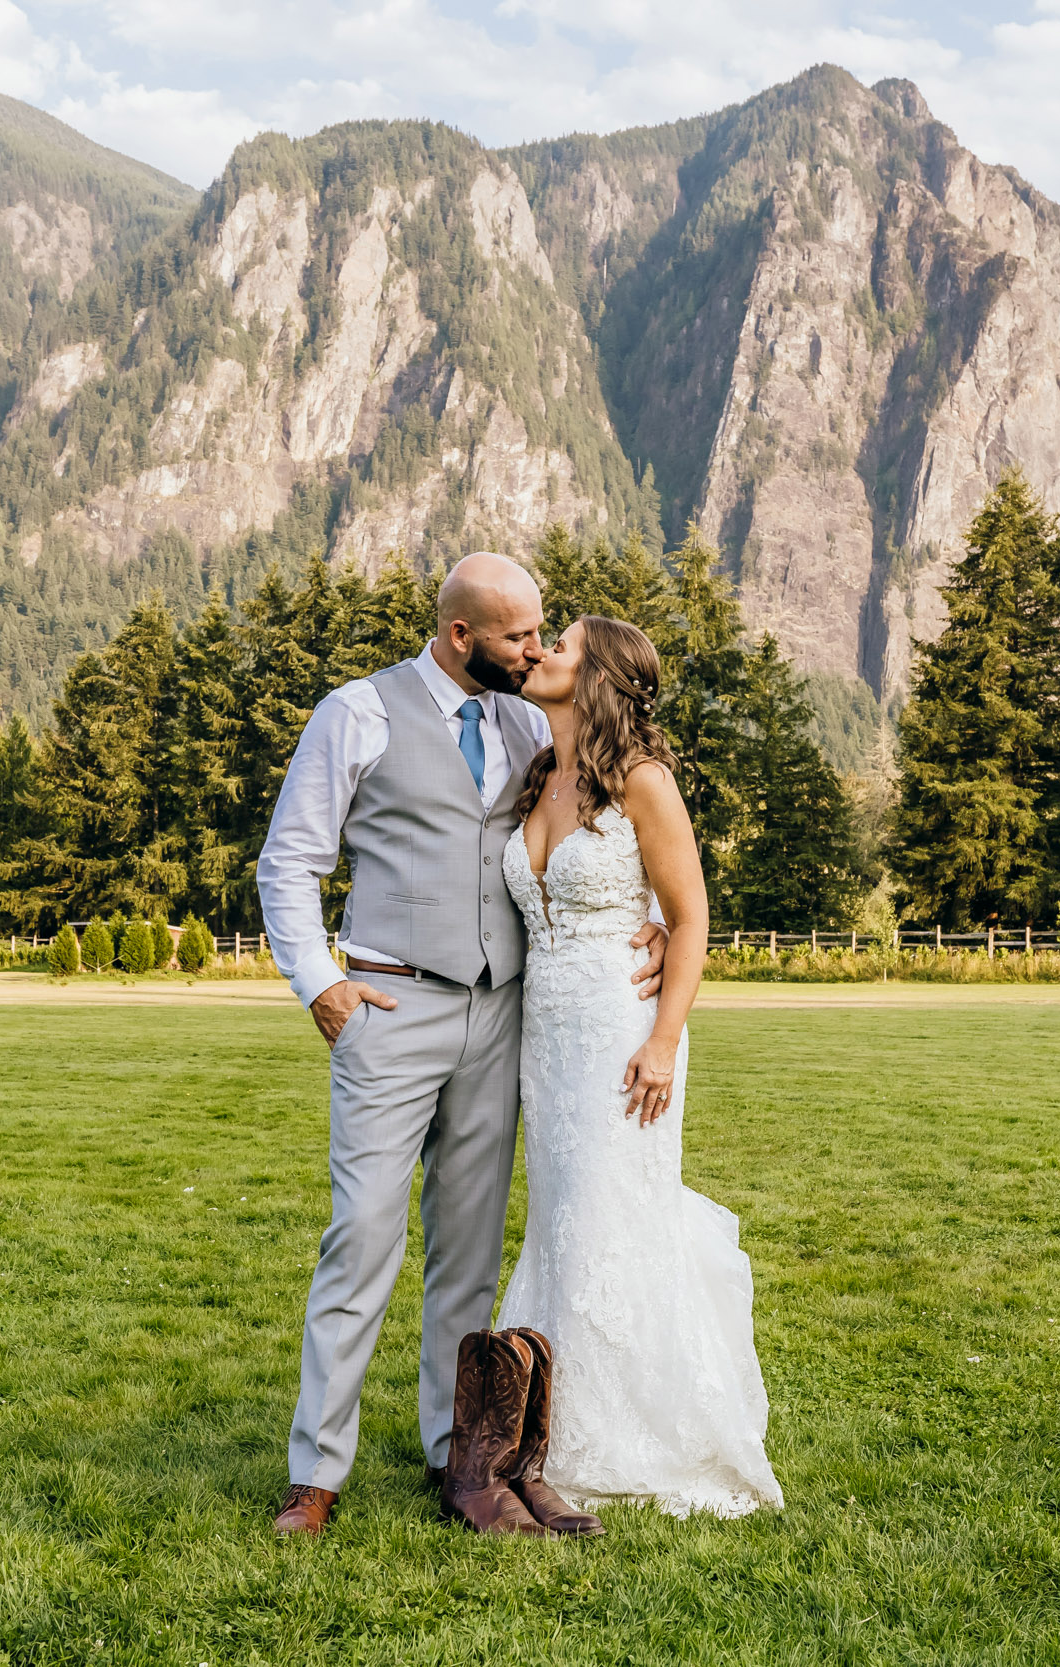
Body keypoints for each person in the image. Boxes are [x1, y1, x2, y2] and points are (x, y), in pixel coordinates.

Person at [255, 554, 667, 1538]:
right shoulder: (355, 712)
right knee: (360, 1239)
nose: (534, 649)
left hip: (503, 1019)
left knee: (468, 1255)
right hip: (390, 1009)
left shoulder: (530, 721)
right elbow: (290, 859)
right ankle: (315, 1473)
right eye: (519, 635)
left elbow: (595, 820)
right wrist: (322, 986)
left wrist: (647, 916)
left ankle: (459, 1457)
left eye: (540, 634)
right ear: (458, 636)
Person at [494, 614, 784, 1518]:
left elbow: (690, 916)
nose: (541, 652)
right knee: (563, 1215)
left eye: (563, 647)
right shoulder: (541, 775)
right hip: (547, 1036)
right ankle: (547, 1422)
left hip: (625, 1033)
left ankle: (624, 1434)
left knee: (612, 1215)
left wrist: (662, 1039)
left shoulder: (644, 784)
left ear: (601, 680)